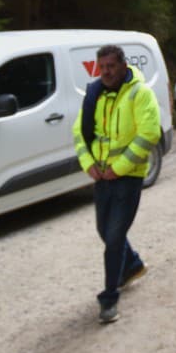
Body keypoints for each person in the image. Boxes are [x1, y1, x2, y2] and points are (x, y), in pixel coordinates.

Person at [73, 44, 161, 323]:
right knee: (105, 231)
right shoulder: (95, 94)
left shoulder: (140, 93)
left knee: (112, 238)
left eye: (111, 66)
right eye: (102, 67)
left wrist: (119, 168)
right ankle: (132, 264)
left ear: (123, 65)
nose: (106, 72)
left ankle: (109, 299)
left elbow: (149, 134)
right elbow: (79, 132)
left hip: (128, 179)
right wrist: (88, 163)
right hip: (102, 178)